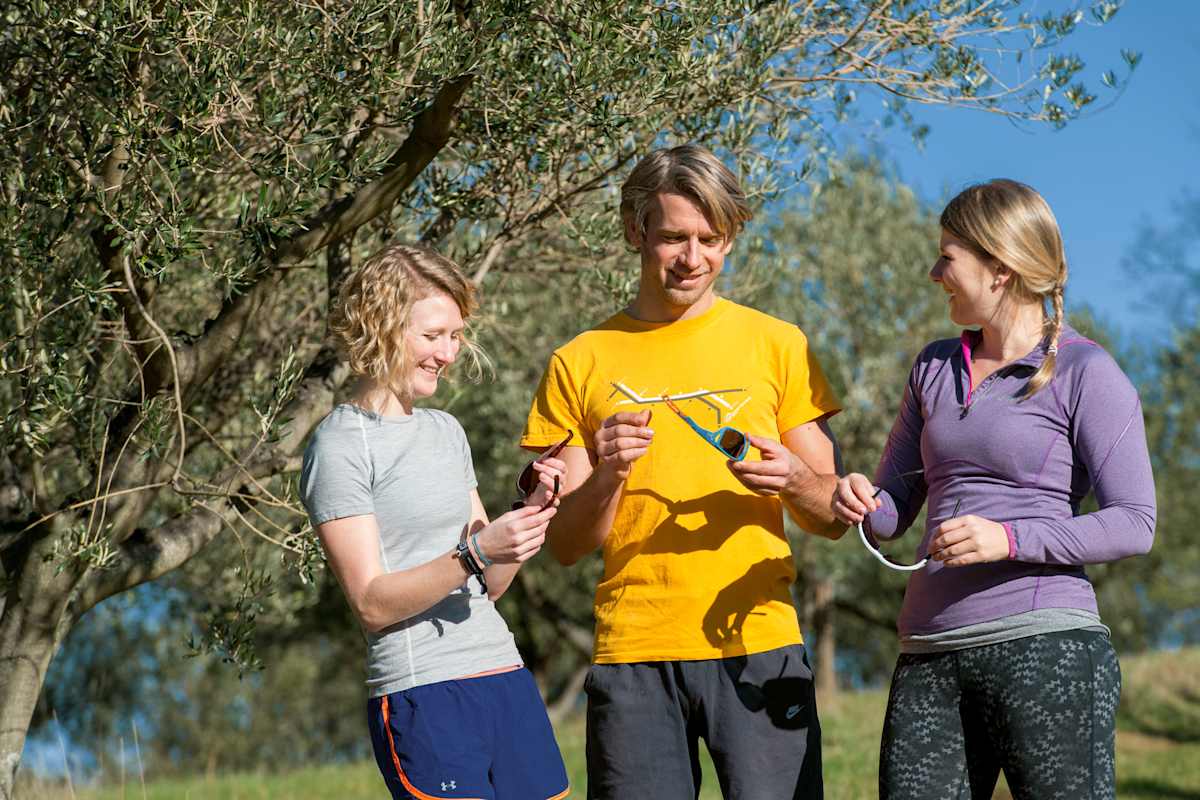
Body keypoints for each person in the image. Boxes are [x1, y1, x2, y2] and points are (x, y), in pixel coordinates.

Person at [520, 144, 846, 799]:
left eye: (710, 238)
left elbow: (834, 515)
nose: (692, 257)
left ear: (731, 238)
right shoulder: (579, 361)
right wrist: (608, 473)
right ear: (635, 230)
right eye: (673, 237)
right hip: (633, 653)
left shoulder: (779, 346)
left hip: (759, 643)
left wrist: (793, 482)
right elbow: (562, 545)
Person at [830, 180, 1156, 800]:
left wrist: (1005, 539)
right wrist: (860, 500)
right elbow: (892, 509)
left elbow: (1135, 521)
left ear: (1000, 268)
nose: (935, 273)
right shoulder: (932, 366)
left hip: (1046, 646)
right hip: (928, 650)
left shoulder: (1087, 372)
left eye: (947, 257)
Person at [300, 244, 570, 800]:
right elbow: (371, 604)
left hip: (504, 677)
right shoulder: (340, 445)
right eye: (433, 336)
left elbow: (487, 585)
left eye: (454, 336)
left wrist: (525, 520)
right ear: (381, 326)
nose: (448, 353)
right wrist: (476, 552)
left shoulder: (447, 430)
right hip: (424, 693)